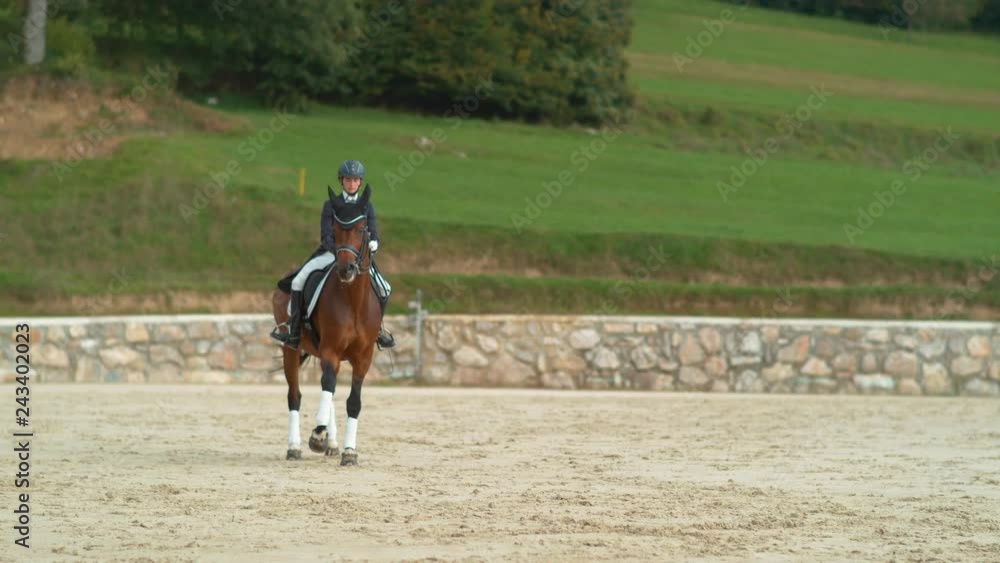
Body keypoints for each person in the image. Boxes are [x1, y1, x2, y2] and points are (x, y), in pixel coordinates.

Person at [271, 159, 395, 350]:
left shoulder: (366, 206)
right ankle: (294, 331)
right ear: (341, 181)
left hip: (358, 258)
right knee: (297, 281)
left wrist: (374, 242)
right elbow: (326, 235)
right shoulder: (330, 205)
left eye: (355, 180)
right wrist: (338, 251)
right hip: (331, 254)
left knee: (385, 288)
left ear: (360, 182)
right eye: (347, 180)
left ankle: (377, 330)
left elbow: (373, 230)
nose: (351, 183)